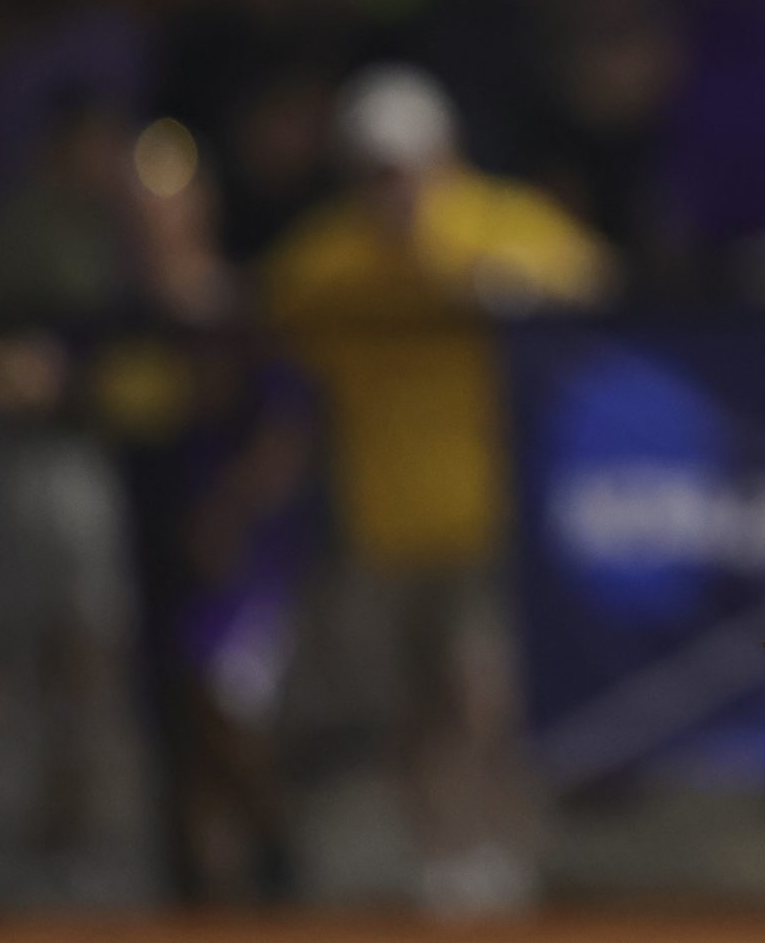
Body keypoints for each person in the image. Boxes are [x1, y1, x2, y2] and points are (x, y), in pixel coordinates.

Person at [262, 64, 610, 916]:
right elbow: (268, 312)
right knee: (405, 705)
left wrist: (486, 280)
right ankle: (443, 854)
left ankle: (496, 842)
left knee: (477, 688)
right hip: (379, 523)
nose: (396, 190)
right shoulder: (333, 260)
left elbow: (590, 276)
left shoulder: (494, 224)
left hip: (484, 513)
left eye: (408, 168)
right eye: (378, 171)